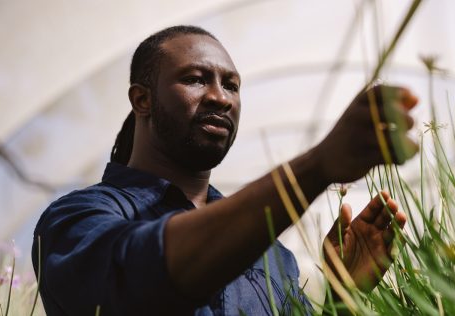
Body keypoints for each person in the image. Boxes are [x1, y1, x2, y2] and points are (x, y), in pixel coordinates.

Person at [32, 25, 417, 315]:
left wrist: (341, 295)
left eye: (231, 85)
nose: (220, 96)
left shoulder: (271, 254)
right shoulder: (78, 219)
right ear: (142, 99)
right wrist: (315, 168)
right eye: (195, 79)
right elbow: (139, 278)